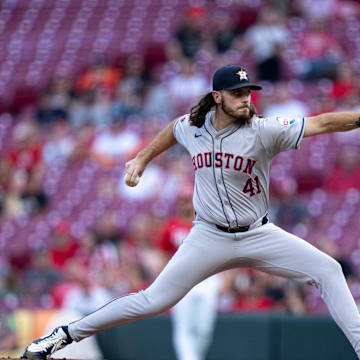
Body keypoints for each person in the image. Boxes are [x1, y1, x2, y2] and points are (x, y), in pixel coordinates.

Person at [23, 65, 360, 360]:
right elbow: (173, 129)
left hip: (258, 234)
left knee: (328, 269)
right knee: (151, 301)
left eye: (248, 92)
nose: (246, 99)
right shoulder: (194, 127)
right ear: (217, 97)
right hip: (208, 236)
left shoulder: (264, 130)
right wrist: (142, 158)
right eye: (237, 93)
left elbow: (324, 122)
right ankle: (65, 335)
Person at [157, 186, 220, 360]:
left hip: (206, 279)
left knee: (204, 329)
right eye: (182, 199)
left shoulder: (208, 221)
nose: (185, 203)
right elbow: (163, 255)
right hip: (181, 281)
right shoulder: (171, 226)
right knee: (183, 328)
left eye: (188, 199)